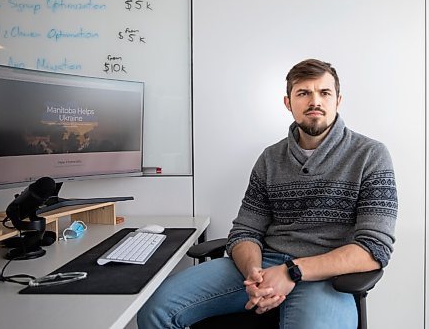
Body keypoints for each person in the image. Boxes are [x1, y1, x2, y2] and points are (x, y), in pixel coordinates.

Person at [137, 59, 398, 329]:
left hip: (326, 274)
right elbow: (244, 232)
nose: (314, 101)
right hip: (266, 265)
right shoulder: (270, 158)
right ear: (288, 103)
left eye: (324, 92)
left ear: (338, 101)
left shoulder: (370, 155)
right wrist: (254, 272)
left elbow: (374, 248)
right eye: (303, 93)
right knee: (156, 310)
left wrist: (292, 272)